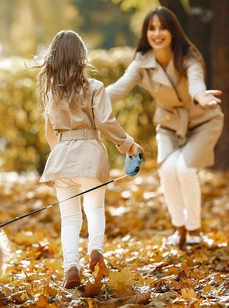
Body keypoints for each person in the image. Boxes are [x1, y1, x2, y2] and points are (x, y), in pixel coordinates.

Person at [106, 7, 224, 249]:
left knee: (185, 169)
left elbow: (196, 82)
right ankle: (179, 229)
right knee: (167, 170)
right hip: (170, 126)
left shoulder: (188, 56)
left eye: (163, 28)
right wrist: (86, 101)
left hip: (203, 122)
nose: (157, 33)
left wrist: (200, 96)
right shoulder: (142, 62)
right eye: (152, 28)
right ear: (146, 33)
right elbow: (118, 89)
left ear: (173, 31)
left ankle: (194, 229)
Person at [36, 30, 144, 289]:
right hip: (90, 157)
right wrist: (128, 145)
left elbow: (50, 133)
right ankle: (95, 250)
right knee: (94, 209)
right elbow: (106, 122)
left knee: (69, 219)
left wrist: (60, 155)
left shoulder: (52, 94)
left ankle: (71, 268)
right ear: (82, 58)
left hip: (61, 159)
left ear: (54, 60)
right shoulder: (95, 88)